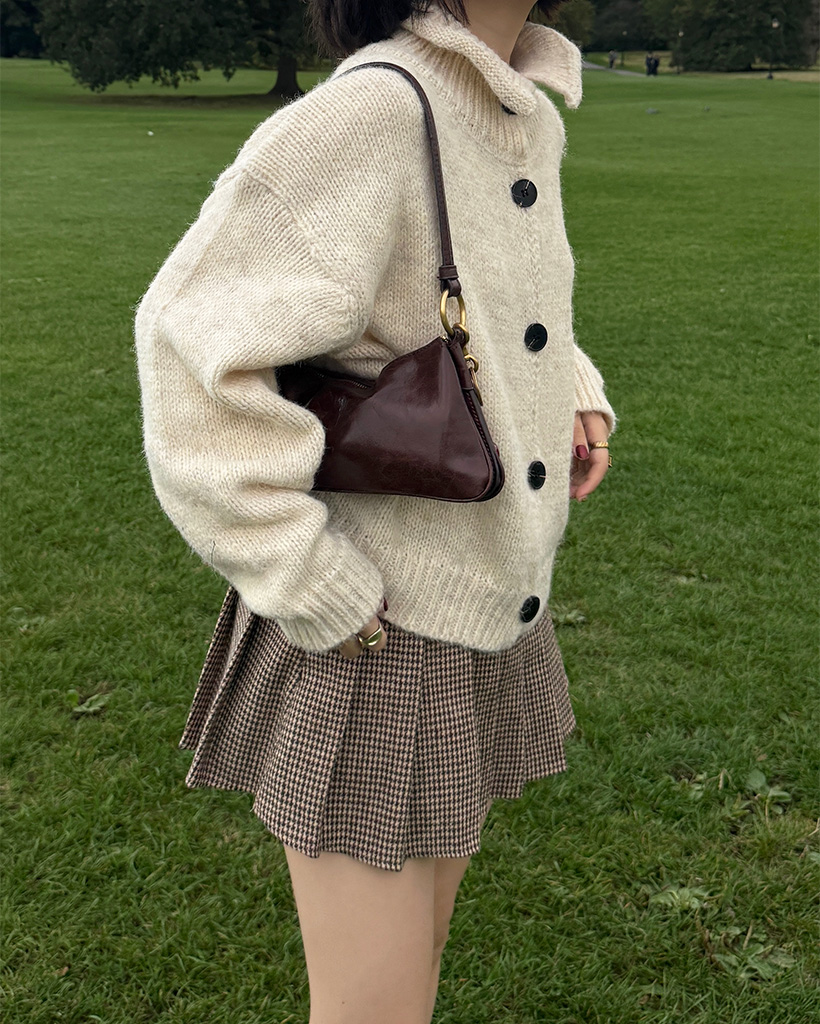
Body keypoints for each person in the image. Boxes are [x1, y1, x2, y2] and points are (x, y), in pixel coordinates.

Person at [133, 1, 616, 1021]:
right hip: (378, 628)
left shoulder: (519, 108)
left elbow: (504, 292)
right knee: (373, 1009)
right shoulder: (373, 112)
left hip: (486, 592)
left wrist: (567, 386)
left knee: (416, 969)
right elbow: (187, 338)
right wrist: (303, 573)